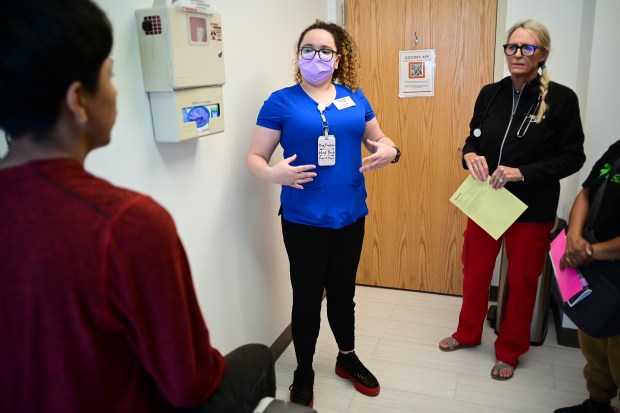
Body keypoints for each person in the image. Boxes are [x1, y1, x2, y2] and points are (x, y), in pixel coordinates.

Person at [0, 1, 275, 412]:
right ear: (79, 100)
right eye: (110, 76)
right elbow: (189, 383)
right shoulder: (127, 224)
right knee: (257, 357)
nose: (115, 91)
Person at [246, 20, 400, 406]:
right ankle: (303, 368)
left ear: (338, 58)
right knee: (307, 296)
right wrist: (272, 173)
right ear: (298, 56)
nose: (316, 57)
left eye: (324, 51)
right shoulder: (280, 101)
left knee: (344, 293)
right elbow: (255, 157)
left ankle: (346, 359)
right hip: (303, 218)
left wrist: (389, 150)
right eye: (307, 50)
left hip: (350, 215)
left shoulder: (354, 98)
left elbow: (379, 139)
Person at [438, 19, 586, 380]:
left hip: (531, 208)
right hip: (487, 201)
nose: (518, 54)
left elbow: (573, 157)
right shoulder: (490, 93)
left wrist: (523, 173)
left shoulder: (560, 99)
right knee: (474, 272)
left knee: (521, 283)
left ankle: (509, 350)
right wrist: (469, 156)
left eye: (527, 48)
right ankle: (468, 333)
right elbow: (472, 138)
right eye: (512, 47)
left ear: (543, 54)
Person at [554, 140, 620, 413]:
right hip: (593, 263)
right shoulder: (617, 148)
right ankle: (598, 405)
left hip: (605, 259)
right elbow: (587, 192)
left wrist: (589, 251)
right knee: (594, 344)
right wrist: (574, 236)